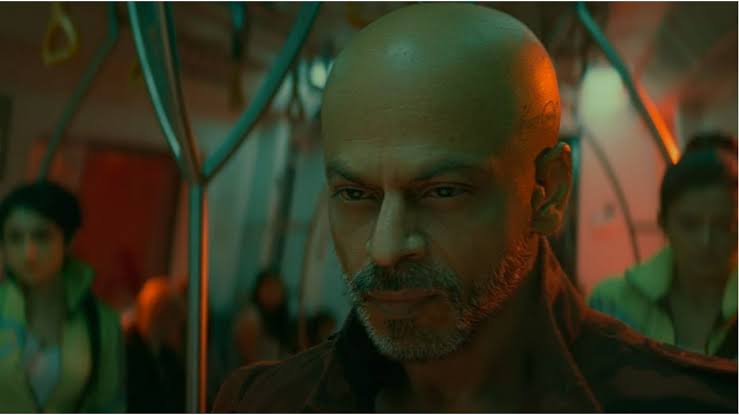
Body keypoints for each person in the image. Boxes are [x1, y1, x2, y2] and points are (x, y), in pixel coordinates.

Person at [214, 4, 737, 412]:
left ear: (548, 191)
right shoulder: (263, 403)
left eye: (442, 192)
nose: (386, 248)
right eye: (355, 195)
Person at [589, 133, 737, 358]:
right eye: (690, 224)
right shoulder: (612, 305)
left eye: (723, 225)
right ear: (663, 223)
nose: (705, 240)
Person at [0, 180, 125, 412]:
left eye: (42, 237)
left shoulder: (99, 322)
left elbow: (108, 404)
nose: (29, 253)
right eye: (15, 238)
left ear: (68, 241)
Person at [124, 276, 186, 412]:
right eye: (174, 315)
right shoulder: (128, 354)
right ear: (160, 314)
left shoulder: (168, 358)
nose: (178, 326)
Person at [250, 269, 296, 355]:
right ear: (258, 289)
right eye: (268, 286)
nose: (272, 292)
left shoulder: (279, 318)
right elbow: (250, 359)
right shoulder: (251, 318)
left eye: (276, 288)